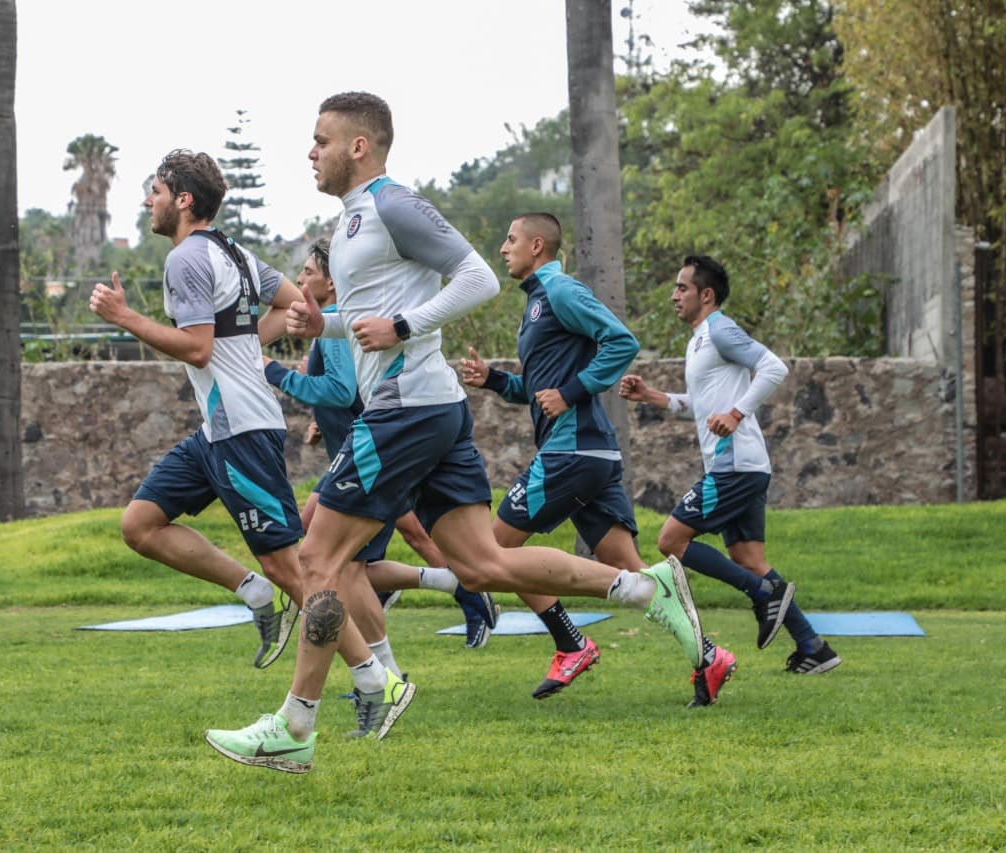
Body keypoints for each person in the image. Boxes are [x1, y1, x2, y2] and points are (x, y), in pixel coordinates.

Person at [205, 92, 705, 774]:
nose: (310, 151)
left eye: (321, 139)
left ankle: (296, 724)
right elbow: (374, 315)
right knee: (482, 565)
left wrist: (406, 329)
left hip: (405, 411)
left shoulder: (393, 203)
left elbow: (476, 277)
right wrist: (318, 325)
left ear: (360, 145)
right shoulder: (352, 223)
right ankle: (644, 587)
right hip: (430, 408)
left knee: (317, 562)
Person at [87, 149, 383, 690]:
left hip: (243, 427)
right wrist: (244, 349)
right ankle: (250, 590)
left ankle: (375, 679)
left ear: (183, 200)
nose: (147, 202)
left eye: (154, 191)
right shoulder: (233, 252)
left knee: (294, 571)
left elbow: (198, 350)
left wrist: (124, 317)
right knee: (141, 524)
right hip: (217, 429)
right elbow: (295, 304)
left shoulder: (185, 259)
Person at [458, 213, 736, 706]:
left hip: (572, 452)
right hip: (590, 455)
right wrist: (494, 380)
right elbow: (539, 388)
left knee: (492, 553)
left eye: (510, 238)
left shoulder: (561, 291)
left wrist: (569, 392)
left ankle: (570, 642)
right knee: (636, 576)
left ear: (537, 245)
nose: (503, 248)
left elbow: (621, 341)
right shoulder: (537, 304)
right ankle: (708, 656)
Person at [263, 237, 499, 655]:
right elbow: (352, 386)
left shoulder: (336, 320)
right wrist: (322, 418)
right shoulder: (330, 325)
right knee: (338, 551)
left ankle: (390, 665)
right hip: (356, 445)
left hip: (377, 445)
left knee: (379, 551)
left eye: (309, 273)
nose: (299, 280)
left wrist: (275, 373)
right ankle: (452, 588)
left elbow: (339, 389)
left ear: (333, 283)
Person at [618, 254, 842, 680]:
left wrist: (738, 413)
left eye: (682, 288)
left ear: (706, 294)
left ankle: (761, 596)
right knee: (748, 557)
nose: (673, 296)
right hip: (746, 466)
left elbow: (774, 367)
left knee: (671, 541)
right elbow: (700, 409)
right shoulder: (700, 339)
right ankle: (814, 646)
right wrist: (652, 397)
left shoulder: (720, 328)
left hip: (734, 467)